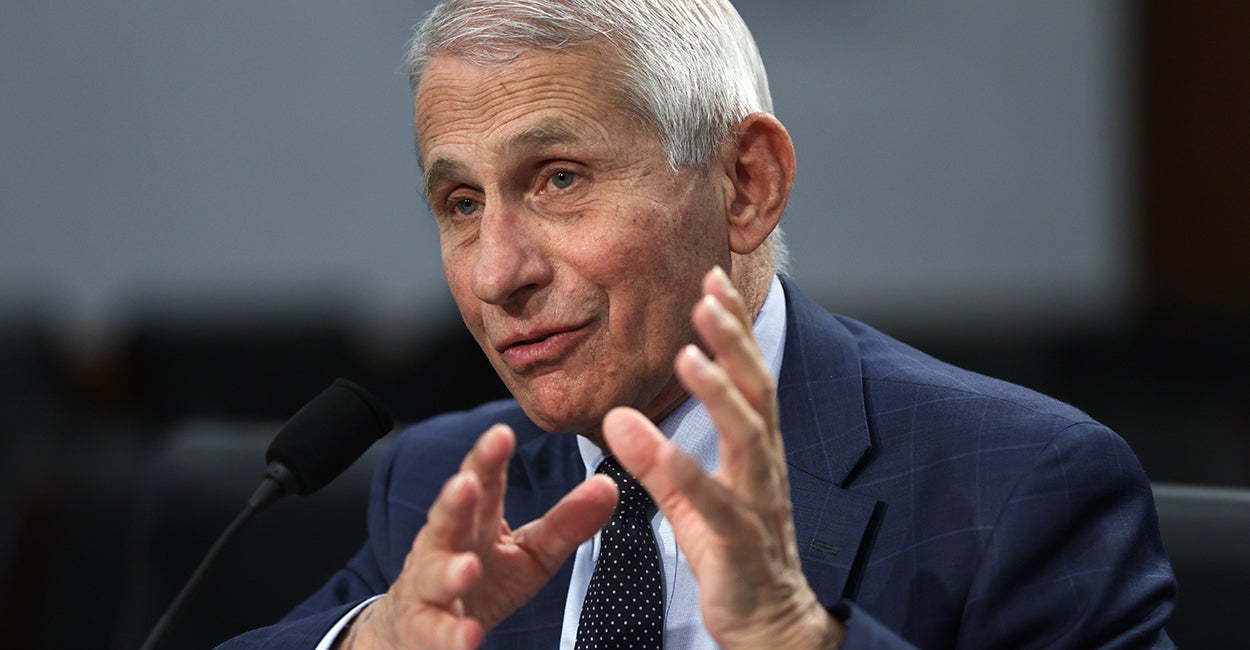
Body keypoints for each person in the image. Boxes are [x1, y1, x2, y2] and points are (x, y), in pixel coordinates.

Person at [222, 0, 1177, 647]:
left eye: (559, 179)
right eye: (463, 203)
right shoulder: (446, 482)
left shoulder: (1018, 485)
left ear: (745, 185)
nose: (496, 274)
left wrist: (799, 642)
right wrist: (378, 640)